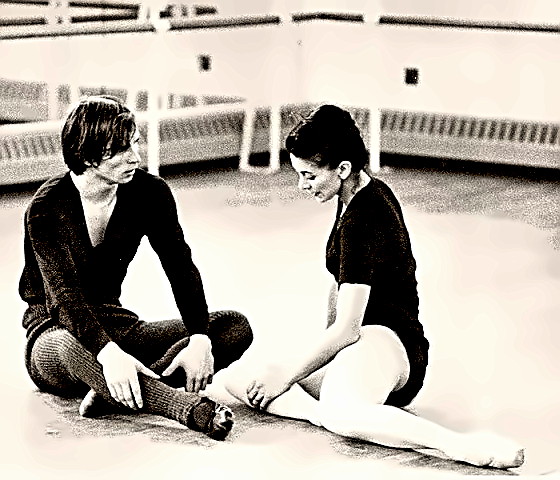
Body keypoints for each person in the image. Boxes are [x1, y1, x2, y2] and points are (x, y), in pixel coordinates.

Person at [223, 104, 524, 468]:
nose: (301, 186)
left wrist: (289, 376)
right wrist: (316, 364)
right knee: (241, 377)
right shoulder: (353, 192)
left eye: (308, 176)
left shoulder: (365, 216)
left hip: (392, 344)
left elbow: (348, 329)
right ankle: (329, 414)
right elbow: (339, 288)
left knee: (339, 410)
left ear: (343, 168)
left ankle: (456, 445)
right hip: (361, 346)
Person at [20, 95, 253, 440]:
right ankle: (184, 407)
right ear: (87, 155)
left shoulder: (150, 192)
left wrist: (201, 338)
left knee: (233, 326)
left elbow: (179, 265)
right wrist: (109, 354)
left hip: (117, 324)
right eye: (120, 149)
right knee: (71, 346)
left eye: (135, 143)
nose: (136, 157)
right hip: (53, 333)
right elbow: (63, 298)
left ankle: (114, 392)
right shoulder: (46, 207)